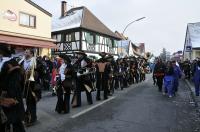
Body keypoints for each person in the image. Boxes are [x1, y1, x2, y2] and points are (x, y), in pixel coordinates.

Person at [0, 45, 25, 132]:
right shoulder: (3, 62)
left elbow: (15, 83)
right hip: (3, 95)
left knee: (15, 121)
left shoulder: (12, 63)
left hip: (9, 96)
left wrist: (9, 96)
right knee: (4, 120)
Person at [19, 49, 39, 126]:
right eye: (25, 52)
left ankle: (31, 119)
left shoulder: (35, 61)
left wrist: (33, 73)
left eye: (27, 52)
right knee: (28, 103)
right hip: (24, 85)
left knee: (32, 103)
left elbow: (39, 73)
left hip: (33, 86)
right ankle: (31, 117)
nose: (25, 53)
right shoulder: (22, 62)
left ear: (31, 54)